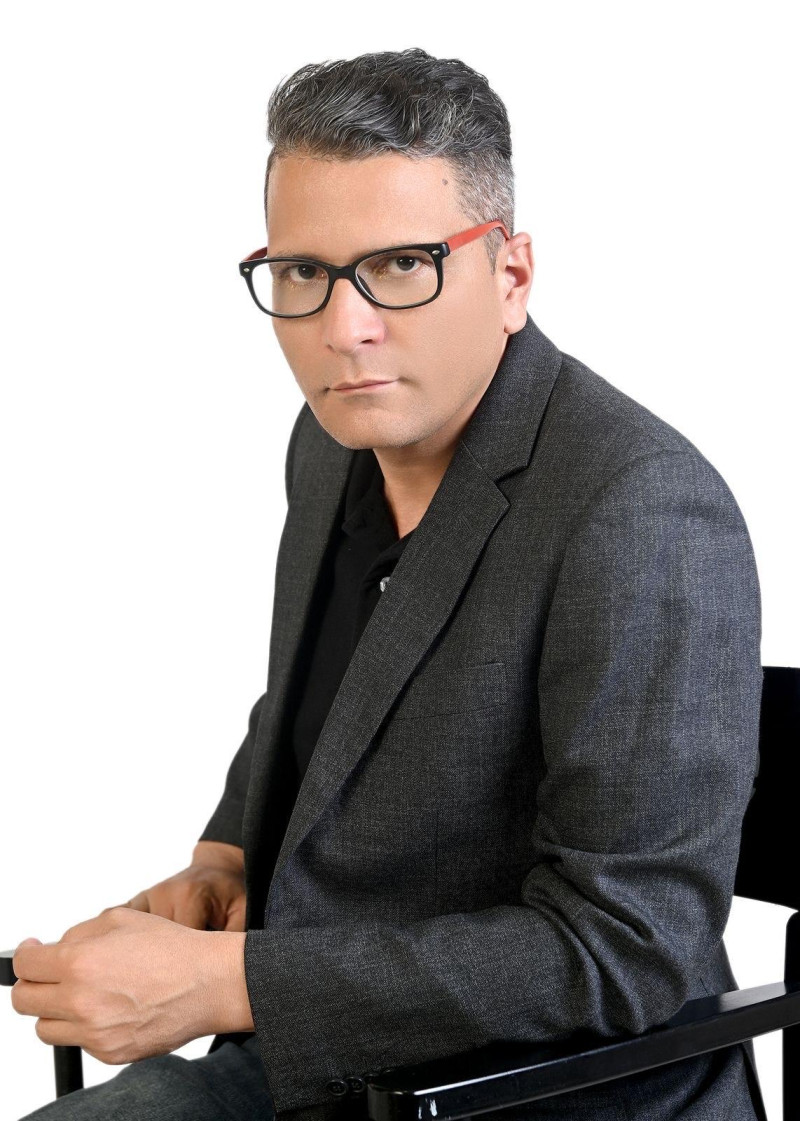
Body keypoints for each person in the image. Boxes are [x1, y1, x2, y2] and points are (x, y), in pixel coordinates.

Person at [11, 47, 767, 1121]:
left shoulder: (639, 509)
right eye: (301, 272)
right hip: (328, 1066)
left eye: (402, 265)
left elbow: (631, 949)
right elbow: (322, 699)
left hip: (534, 1094)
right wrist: (224, 857)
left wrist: (230, 984)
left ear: (511, 277)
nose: (342, 327)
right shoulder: (333, 442)